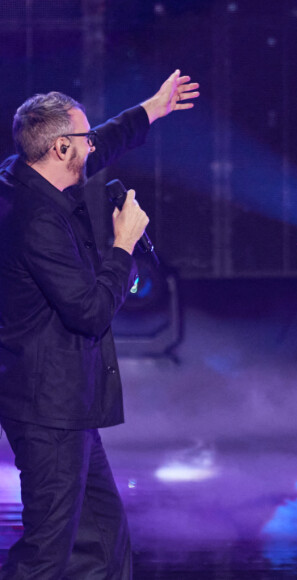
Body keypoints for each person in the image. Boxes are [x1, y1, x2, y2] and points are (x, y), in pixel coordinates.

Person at [0, 69, 199, 579]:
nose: (93, 146)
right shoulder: (34, 220)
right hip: (49, 411)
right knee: (47, 550)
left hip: (67, 407)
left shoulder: (23, 175)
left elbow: (100, 142)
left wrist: (149, 111)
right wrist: (123, 246)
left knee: (104, 542)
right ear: (62, 148)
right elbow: (89, 312)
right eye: (83, 139)